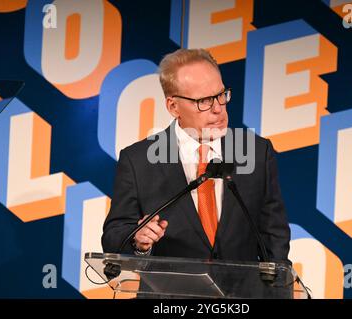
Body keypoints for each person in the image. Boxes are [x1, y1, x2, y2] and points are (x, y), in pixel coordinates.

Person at [102, 48, 290, 262]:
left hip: (241, 292)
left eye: (221, 95)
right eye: (204, 101)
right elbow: (113, 236)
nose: (218, 109)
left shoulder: (257, 152)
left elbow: (274, 236)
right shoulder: (138, 161)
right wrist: (138, 240)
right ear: (173, 107)